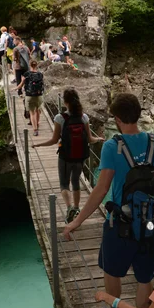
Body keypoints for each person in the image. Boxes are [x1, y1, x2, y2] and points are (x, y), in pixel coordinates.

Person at [64, 93, 154, 308]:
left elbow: (100, 189)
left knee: (112, 271)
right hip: (151, 223)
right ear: (139, 114)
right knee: (144, 276)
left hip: (120, 223)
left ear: (117, 119)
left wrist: (78, 221)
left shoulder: (112, 146)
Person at [33, 88, 104, 223]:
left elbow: (54, 140)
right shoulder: (84, 117)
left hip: (65, 156)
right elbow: (90, 139)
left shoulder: (60, 118)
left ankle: (69, 207)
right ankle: (77, 208)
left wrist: (39, 145)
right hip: (80, 156)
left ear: (65, 102)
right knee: (76, 181)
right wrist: (99, 139)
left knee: (64, 184)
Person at [15, 59, 42, 136]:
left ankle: (35, 129)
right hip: (39, 95)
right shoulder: (40, 74)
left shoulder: (26, 74)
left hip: (29, 95)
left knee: (32, 113)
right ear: (36, 65)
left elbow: (21, 84)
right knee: (38, 111)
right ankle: (37, 123)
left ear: (29, 65)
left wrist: (16, 88)